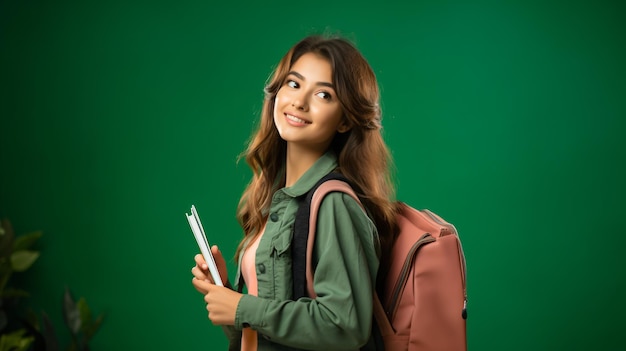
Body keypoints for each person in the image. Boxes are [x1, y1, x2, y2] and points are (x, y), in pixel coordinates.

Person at [191, 34, 399, 351]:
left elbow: (345, 325)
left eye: (324, 95)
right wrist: (228, 297)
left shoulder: (333, 202)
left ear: (344, 120)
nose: (300, 102)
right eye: (294, 84)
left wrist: (242, 308)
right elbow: (267, 335)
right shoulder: (283, 199)